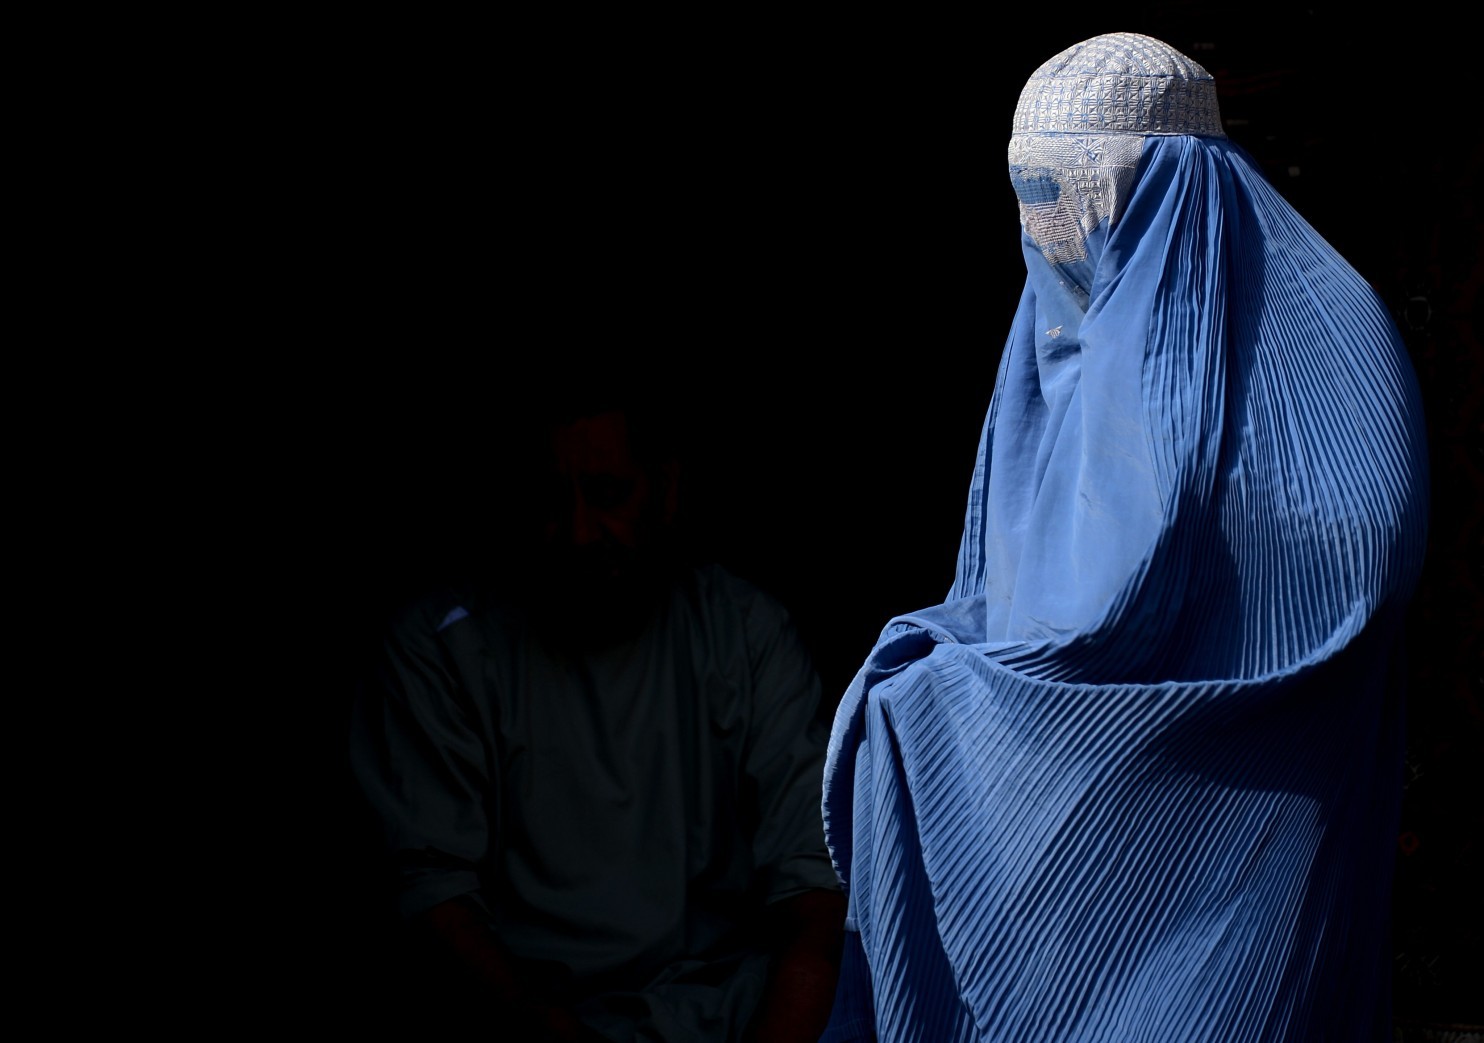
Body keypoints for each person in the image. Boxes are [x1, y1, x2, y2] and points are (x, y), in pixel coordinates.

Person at [819, 32, 1430, 1043]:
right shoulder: (1058, 344)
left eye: (1067, 187)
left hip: (1251, 850)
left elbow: (1332, 585)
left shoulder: (1332, 336)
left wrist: (935, 700)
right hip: (1046, 869)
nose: (1043, 225)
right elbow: (1029, 602)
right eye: (1024, 190)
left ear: (1172, 187)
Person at [348, 384, 846, 1042]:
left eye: (608, 494)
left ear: (665, 490)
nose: (581, 533)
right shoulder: (444, 649)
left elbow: (814, 894)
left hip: (727, 1010)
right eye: (554, 501)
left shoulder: (744, 634)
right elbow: (431, 902)